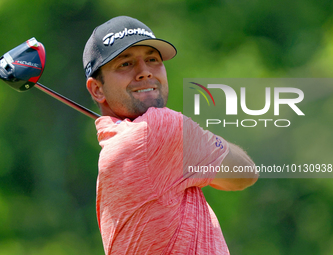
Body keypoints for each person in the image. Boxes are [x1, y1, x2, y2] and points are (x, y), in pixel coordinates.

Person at [83, 16, 258, 255]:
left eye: (152, 60)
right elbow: (244, 173)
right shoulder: (158, 129)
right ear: (97, 89)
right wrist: (199, 140)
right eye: (125, 64)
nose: (144, 72)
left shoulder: (114, 147)